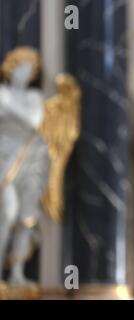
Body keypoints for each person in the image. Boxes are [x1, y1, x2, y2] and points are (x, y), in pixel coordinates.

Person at [0, 47, 49, 286]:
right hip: (3, 160)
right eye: (22, 67)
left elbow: (34, 120)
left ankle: (17, 274)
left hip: (30, 160)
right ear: (11, 66)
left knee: (25, 217)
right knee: (6, 212)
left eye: (31, 70)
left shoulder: (33, 98)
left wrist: (7, 105)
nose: (26, 73)